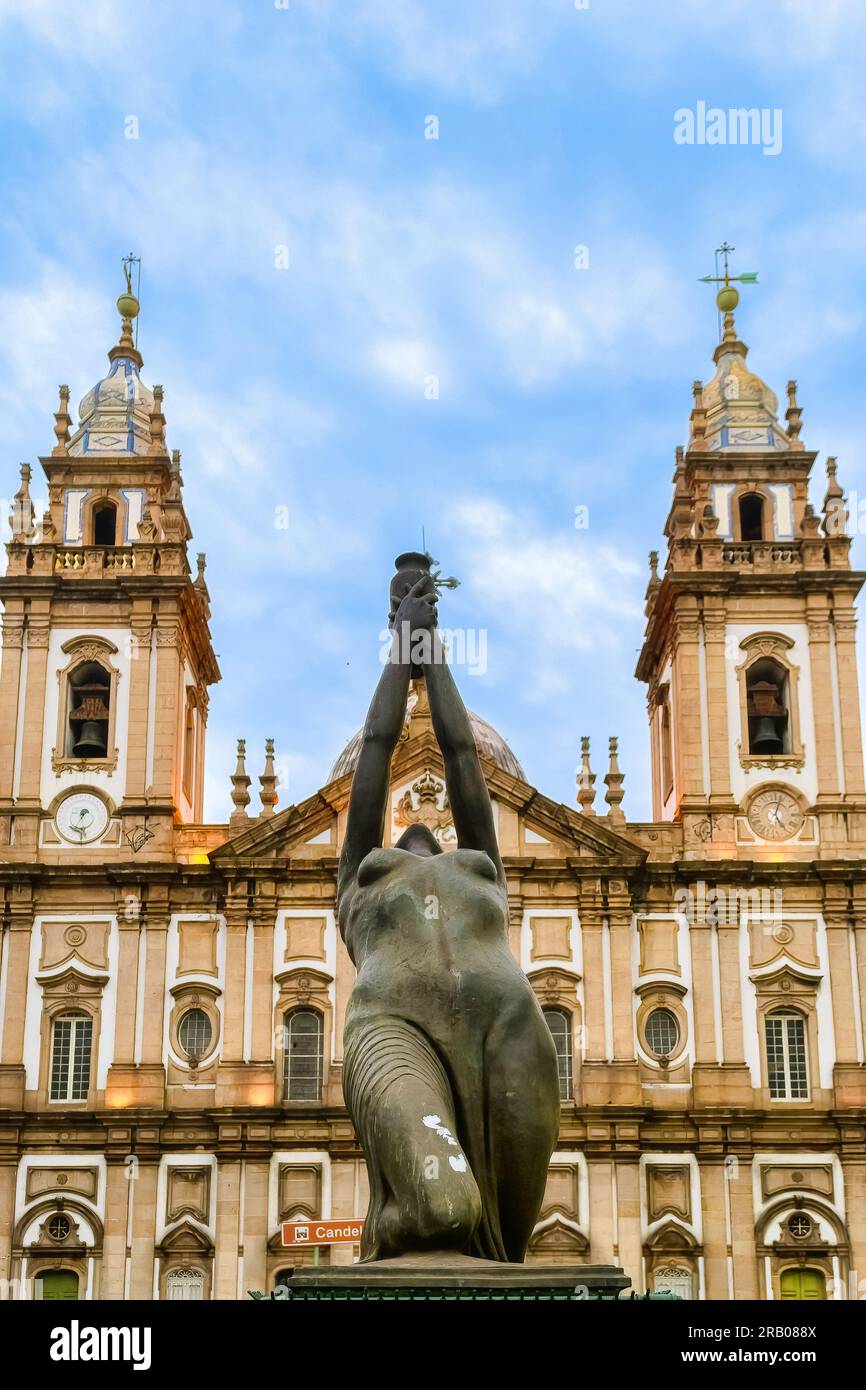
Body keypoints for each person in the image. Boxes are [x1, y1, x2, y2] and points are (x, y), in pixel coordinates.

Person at [337, 567, 560, 1263]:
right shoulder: (359, 877)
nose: (419, 823)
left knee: (506, 1248)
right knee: (447, 1208)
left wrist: (436, 661)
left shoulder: (483, 866)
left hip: (508, 1032)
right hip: (394, 1031)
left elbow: (464, 753)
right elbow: (376, 750)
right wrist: (401, 653)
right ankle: (389, 1234)